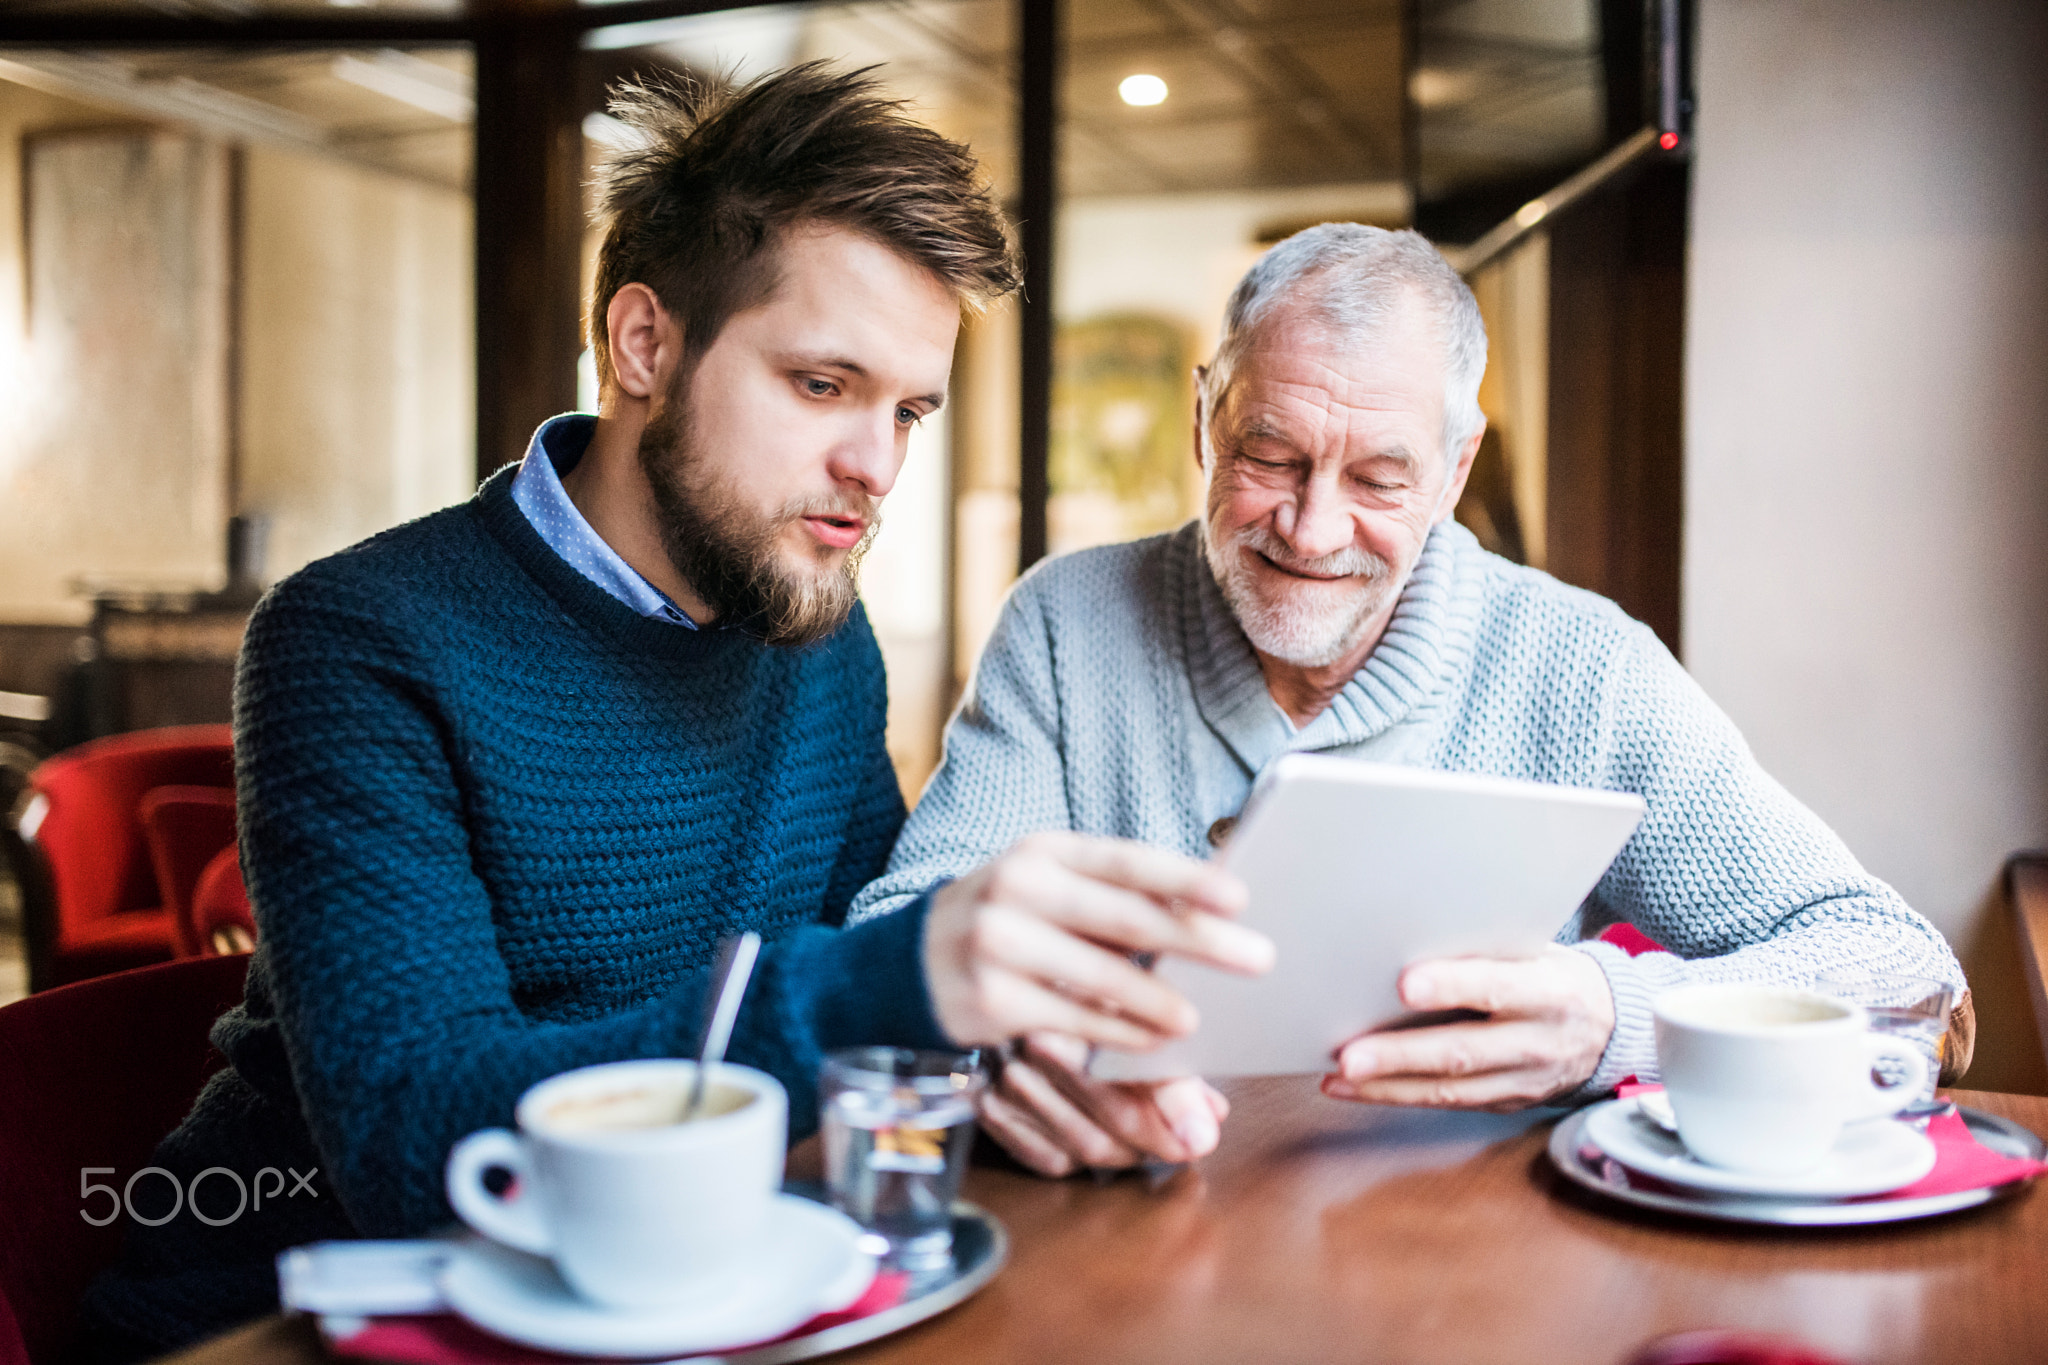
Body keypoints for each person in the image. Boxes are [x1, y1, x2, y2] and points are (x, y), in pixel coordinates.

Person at [80, 66, 1270, 1360]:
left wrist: (1029, 1059)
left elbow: (869, 1006)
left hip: (679, 1287)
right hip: (303, 1313)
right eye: (824, 385)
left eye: (909, 410)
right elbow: (423, 1146)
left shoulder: (815, 634)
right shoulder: (358, 642)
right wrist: (906, 979)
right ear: (644, 344)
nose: (878, 466)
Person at [850, 223, 1968, 1177]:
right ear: (1203, 417)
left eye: (1379, 479)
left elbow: (1905, 971)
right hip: (1131, 1233)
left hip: (1471, 1266)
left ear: (1454, 465)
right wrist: (998, 1048)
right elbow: (900, 931)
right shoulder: (1065, 623)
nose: (1311, 530)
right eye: (1268, 455)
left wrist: (1611, 1020)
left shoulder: (1579, 666)